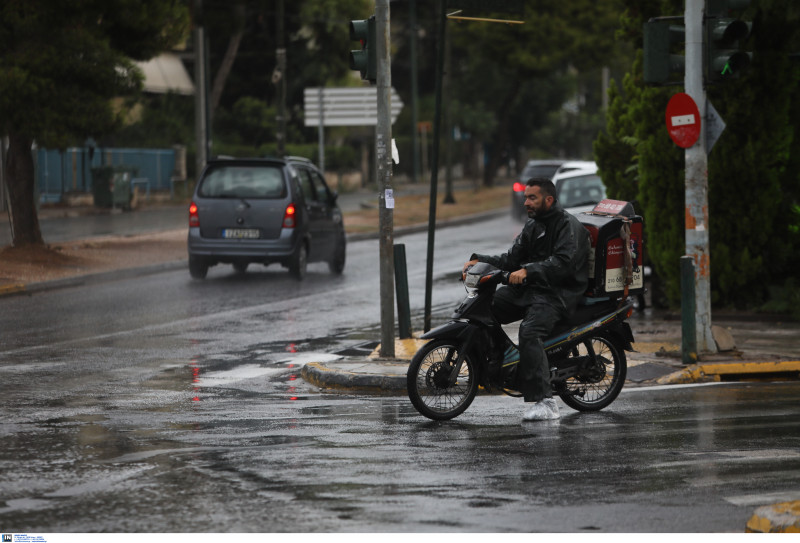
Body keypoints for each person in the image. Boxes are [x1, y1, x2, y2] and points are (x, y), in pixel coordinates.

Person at [463, 177, 590, 421]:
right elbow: (512, 259)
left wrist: (528, 271)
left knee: (529, 332)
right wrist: (481, 261)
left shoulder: (567, 226)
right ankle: (500, 362)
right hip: (532, 289)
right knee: (486, 308)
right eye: (525, 198)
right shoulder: (534, 225)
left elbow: (563, 263)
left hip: (558, 293)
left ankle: (546, 401)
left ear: (548, 199)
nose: (526, 202)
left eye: (532, 198)